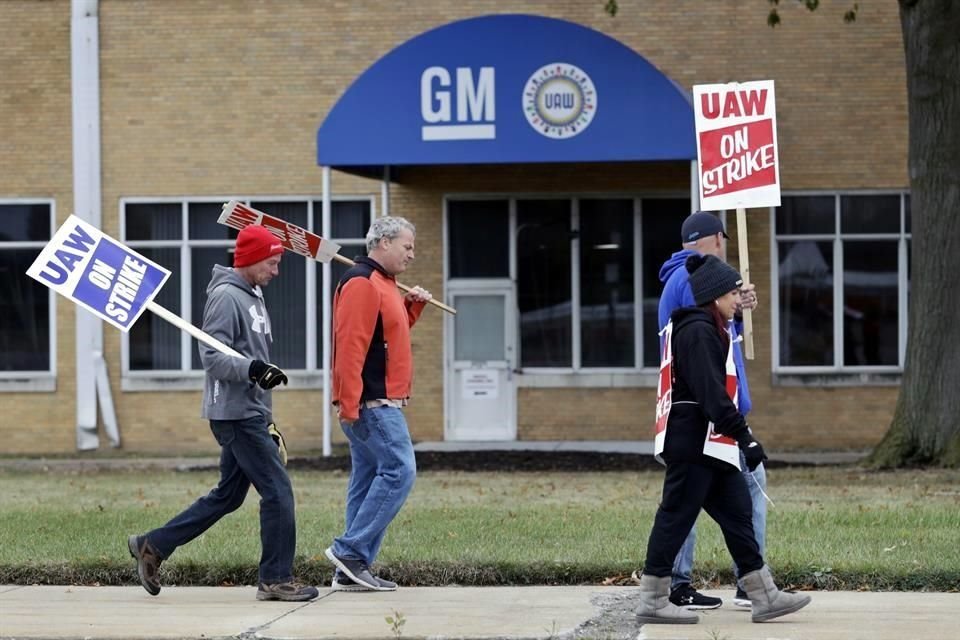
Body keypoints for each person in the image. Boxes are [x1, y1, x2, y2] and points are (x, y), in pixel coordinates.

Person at [127, 224, 318, 602]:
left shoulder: (253, 295)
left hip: (250, 411)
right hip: (234, 414)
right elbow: (212, 356)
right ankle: (275, 579)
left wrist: (265, 412)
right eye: (273, 262)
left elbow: (252, 361)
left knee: (228, 497)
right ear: (251, 258)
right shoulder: (227, 298)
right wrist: (252, 370)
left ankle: (152, 545)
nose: (277, 271)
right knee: (278, 493)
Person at [636, 254, 811, 625]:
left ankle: (763, 595)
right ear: (715, 296)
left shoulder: (712, 328)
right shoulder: (696, 332)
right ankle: (653, 598)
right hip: (692, 442)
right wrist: (744, 435)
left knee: (737, 512)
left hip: (711, 445)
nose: (738, 299)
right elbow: (711, 394)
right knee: (675, 516)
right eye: (733, 293)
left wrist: (734, 437)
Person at [656, 211, 764, 610]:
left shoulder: (686, 279)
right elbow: (703, 352)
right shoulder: (690, 281)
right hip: (706, 418)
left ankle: (750, 584)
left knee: (692, 501)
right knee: (684, 503)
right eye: (731, 294)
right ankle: (738, 585)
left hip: (708, 415)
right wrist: (739, 428)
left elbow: (718, 331)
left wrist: (738, 304)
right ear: (717, 238)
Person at [325, 216, 432, 592]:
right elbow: (351, 345)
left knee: (368, 478)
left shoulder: (384, 284)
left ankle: (350, 570)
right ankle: (350, 551)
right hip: (371, 403)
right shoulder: (360, 282)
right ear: (383, 243)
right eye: (407, 247)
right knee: (400, 471)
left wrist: (411, 307)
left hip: (380, 400)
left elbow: (386, 335)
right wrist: (349, 403)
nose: (412, 254)